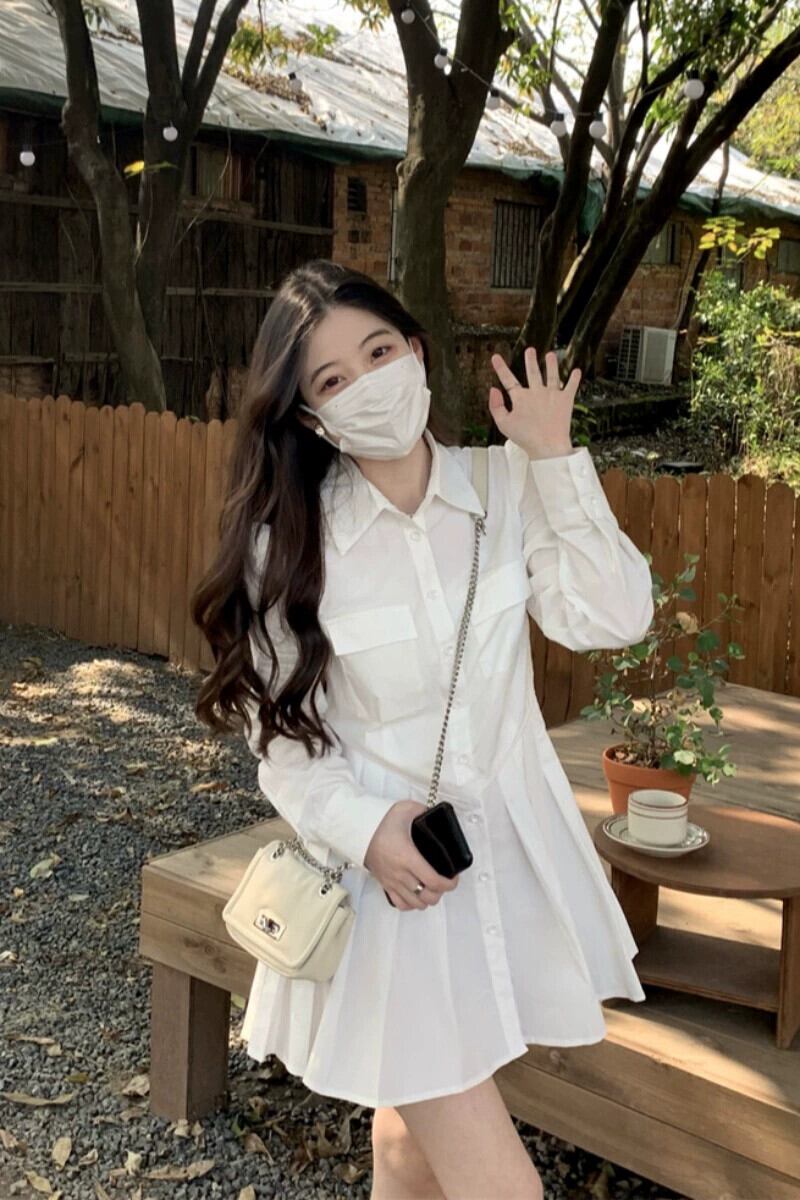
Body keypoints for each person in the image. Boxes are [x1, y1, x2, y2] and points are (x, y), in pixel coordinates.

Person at [192, 258, 654, 1200]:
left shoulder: (506, 486)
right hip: (389, 903)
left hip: (505, 875)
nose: (367, 385)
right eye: (332, 379)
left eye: (378, 353)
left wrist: (556, 458)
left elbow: (612, 618)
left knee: (408, 1150)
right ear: (309, 417)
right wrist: (369, 830)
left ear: (416, 351)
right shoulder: (292, 546)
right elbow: (283, 746)